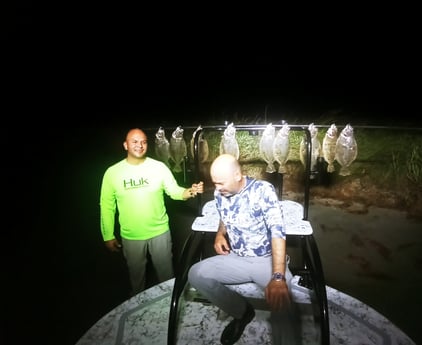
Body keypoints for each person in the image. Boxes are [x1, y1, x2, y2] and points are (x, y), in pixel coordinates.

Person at [188, 153, 300, 345]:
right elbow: (225, 214)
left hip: (266, 260)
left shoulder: (263, 191)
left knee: (284, 299)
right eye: (214, 183)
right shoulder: (220, 193)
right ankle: (241, 311)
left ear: (238, 175)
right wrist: (220, 234)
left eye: (220, 183)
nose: (216, 188)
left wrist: (278, 277)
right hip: (236, 258)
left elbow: (277, 232)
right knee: (196, 273)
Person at [100, 128, 204, 296]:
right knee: (136, 279)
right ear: (126, 145)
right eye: (135, 141)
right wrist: (108, 235)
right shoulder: (112, 173)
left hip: (160, 232)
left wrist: (190, 191)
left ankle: (168, 308)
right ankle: (140, 310)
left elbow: (174, 191)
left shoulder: (159, 167)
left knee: (167, 278)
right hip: (131, 235)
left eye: (143, 142)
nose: (140, 145)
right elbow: (106, 205)